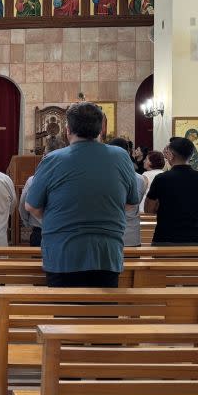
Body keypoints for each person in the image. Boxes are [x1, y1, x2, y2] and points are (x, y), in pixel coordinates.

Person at [25, 102, 141, 287]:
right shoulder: (120, 156)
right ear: (102, 128)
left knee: (66, 313)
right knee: (103, 313)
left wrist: (60, 218)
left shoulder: (53, 160)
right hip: (107, 253)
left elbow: (31, 206)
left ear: (68, 129)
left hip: (63, 253)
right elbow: (131, 202)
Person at [143, 137, 198, 245]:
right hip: (194, 239)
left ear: (171, 155)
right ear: (191, 155)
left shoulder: (162, 178)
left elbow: (148, 209)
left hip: (165, 238)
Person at [19, 136, 66, 246]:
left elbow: (23, 206)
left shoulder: (33, 180)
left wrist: (27, 222)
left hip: (40, 232)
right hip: (65, 233)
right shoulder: (72, 181)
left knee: (37, 262)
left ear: (44, 156)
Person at [109, 138, 149, 247]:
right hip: (132, 234)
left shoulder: (103, 177)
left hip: (110, 234)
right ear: (128, 153)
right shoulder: (141, 179)